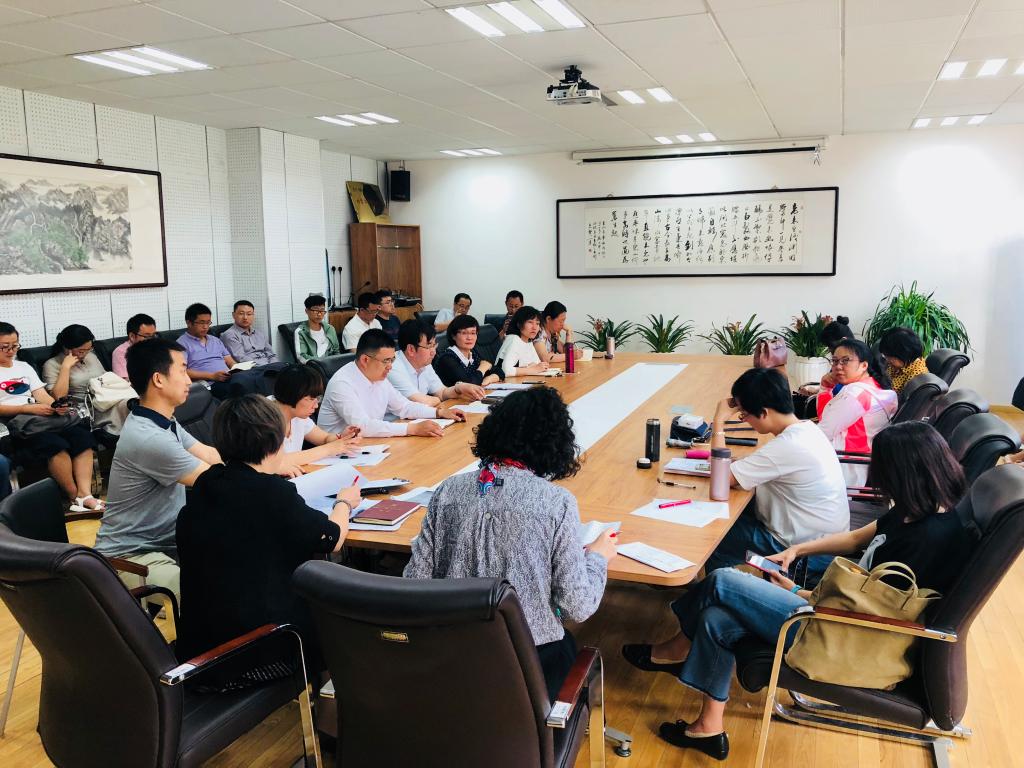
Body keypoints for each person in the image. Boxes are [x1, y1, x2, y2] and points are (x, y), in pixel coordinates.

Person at [621, 421, 973, 760]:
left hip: (841, 635)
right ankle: (707, 728)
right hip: (834, 611)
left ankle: (677, 646)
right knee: (716, 617)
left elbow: (868, 613)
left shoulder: (927, 540)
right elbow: (855, 538)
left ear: (902, 474)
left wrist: (797, 592)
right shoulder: (917, 511)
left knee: (722, 581)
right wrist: (796, 551)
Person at [405, 386, 617, 699]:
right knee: (568, 647)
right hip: (528, 663)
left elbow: (415, 582)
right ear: (556, 443)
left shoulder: (448, 490)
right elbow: (578, 605)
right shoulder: (556, 502)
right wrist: (597, 558)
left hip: (449, 657)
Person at [176, 394, 358, 684]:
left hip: (199, 652)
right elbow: (331, 539)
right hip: (258, 652)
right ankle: (329, 703)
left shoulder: (205, 487)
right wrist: (344, 503)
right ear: (275, 442)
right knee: (340, 615)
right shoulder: (272, 494)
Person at [93, 338, 221, 600]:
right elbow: (215, 480)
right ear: (158, 379)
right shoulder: (149, 438)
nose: (189, 380)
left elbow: (209, 455)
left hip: (168, 543)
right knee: (211, 598)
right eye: (182, 371)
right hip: (131, 557)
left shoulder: (162, 420)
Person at [702, 368, 848, 574]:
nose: (744, 419)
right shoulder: (807, 430)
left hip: (804, 555)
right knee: (736, 512)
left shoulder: (788, 445)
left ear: (764, 413)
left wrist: (718, 422)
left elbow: (721, 479)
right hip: (826, 543)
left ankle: (715, 586)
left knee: (716, 531)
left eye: (744, 414)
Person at [0, 322, 101, 512]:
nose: (11, 351)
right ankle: (73, 497)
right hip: (17, 423)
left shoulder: (23, 367)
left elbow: (42, 395)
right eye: (5, 347)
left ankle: (85, 494)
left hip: (40, 417)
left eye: (15, 346)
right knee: (54, 444)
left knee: (82, 437)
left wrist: (55, 407)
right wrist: (26, 408)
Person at [317, 329, 466, 437]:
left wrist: (439, 413)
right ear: (365, 360)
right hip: (334, 455)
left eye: (392, 360)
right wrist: (413, 429)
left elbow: (404, 407)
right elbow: (362, 426)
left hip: (367, 445)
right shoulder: (342, 383)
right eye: (386, 361)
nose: (390, 366)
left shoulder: (378, 377)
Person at [817, 338, 898, 485]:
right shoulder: (875, 386)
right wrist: (826, 387)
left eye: (845, 361)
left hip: (846, 466)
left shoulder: (856, 394)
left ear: (864, 365)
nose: (838, 367)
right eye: (835, 361)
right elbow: (825, 420)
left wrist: (824, 389)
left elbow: (822, 433)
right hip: (861, 463)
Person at [272, 364, 361, 475]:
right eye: (311, 399)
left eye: (317, 399)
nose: (316, 405)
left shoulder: (298, 415)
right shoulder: (263, 417)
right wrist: (329, 449)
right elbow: (276, 461)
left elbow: (324, 438)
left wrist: (341, 437)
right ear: (293, 394)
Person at [389, 318, 486, 407]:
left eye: (434, 345)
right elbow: (421, 402)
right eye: (429, 346)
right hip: (396, 420)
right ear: (411, 349)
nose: (434, 352)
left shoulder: (424, 363)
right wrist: (436, 399)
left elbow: (442, 392)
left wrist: (459, 388)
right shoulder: (392, 366)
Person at [178, 303, 238, 399]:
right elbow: (181, 371)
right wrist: (212, 376)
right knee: (239, 389)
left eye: (208, 322)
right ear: (189, 323)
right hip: (209, 384)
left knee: (253, 379)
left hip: (228, 378)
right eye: (201, 323)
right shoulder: (181, 344)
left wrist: (237, 370)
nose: (206, 327)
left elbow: (229, 360)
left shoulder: (215, 340)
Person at [433, 314, 504, 388]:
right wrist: (482, 368)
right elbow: (469, 384)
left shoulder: (472, 354)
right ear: (453, 336)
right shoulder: (447, 358)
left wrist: (489, 378)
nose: (469, 338)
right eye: (464, 333)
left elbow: (500, 372)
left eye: (473, 333)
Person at [220, 299, 279, 366]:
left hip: (269, 366)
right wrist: (267, 366)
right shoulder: (230, 335)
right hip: (252, 368)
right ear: (233, 315)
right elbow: (241, 359)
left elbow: (271, 354)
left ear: (253, 315)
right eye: (241, 314)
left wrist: (275, 365)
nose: (245, 317)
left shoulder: (259, 333)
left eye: (249, 314)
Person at [495, 305, 549, 377]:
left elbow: (537, 364)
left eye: (537, 323)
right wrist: (532, 369)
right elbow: (506, 370)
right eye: (530, 322)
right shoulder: (513, 339)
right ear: (519, 324)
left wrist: (537, 367)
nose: (534, 327)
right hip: (501, 381)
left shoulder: (528, 341)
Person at [879, 327, 929, 394]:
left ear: (903, 354)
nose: (887, 360)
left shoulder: (916, 377)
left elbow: (901, 399)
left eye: (889, 357)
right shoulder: (901, 364)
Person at [295, 295, 340, 363]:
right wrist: (321, 363)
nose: (319, 314)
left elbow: (336, 352)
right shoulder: (301, 332)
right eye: (315, 310)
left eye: (322, 310)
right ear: (306, 311)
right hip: (313, 366)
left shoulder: (330, 329)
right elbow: (301, 356)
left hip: (331, 365)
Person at [111, 313, 157, 380]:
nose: (152, 340)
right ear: (132, 336)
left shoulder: (157, 347)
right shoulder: (120, 352)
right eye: (147, 336)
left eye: (153, 336)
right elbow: (125, 381)